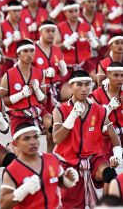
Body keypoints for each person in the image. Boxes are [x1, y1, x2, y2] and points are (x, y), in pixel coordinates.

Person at [53, 70, 122, 208]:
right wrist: (72, 117)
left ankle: (107, 206)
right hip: (68, 162)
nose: (84, 89)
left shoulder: (100, 110)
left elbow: (114, 137)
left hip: (93, 159)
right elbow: (57, 139)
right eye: (79, 84)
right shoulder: (60, 110)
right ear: (71, 86)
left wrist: (117, 156)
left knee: (110, 174)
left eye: (87, 84)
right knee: (70, 204)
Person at [0, 123, 79, 209]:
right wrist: (23, 190)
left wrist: (68, 180)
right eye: (26, 139)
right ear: (16, 143)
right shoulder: (12, 170)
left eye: (36, 137)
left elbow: (58, 182)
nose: (33, 142)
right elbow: (4, 204)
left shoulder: (52, 159)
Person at [0, 39, 51, 136]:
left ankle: (49, 151)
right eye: (25, 51)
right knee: (24, 139)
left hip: (37, 110)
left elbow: (44, 100)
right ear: (18, 53)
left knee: (52, 124)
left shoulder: (40, 72)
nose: (29, 54)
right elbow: (1, 99)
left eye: (32, 51)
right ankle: (12, 146)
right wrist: (20, 95)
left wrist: (37, 90)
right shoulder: (9, 74)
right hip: (18, 114)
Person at [54, 0, 100, 100]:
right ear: (65, 12)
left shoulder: (87, 26)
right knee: (63, 95)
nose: (74, 14)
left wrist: (93, 40)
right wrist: (67, 42)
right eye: (71, 11)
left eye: (76, 10)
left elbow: (98, 47)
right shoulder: (59, 27)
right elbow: (55, 48)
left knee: (100, 80)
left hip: (85, 64)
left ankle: (94, 98)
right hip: (68, 66)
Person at [92, 62, 123, 161]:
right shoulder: (96, 94)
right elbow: (93, 120)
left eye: (122, 75)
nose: (119, 79)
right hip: (106, 139)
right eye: (116, 75)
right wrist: (109, 108)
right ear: (108, 75)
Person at [33, 20, 67, 110]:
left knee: (75, 91)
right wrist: (42, 73)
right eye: (47, 31)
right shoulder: (32, 49)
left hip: (56, 86)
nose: (51, 33)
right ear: (40, 32)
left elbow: (61, 75)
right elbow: (24, 71)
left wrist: (63, 71)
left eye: (53, 31)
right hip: (39, 89)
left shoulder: (57, 50)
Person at [0, 0, 30, 74]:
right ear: (9, 11)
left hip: (22, 61)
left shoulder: (24, 25)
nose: (17, 13)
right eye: (14, 11)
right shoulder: (1, 26)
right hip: (8, 61)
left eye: (18, 11)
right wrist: (10, 39)